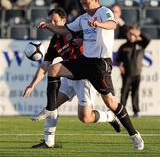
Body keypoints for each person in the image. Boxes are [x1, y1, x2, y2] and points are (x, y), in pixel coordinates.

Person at [30, 0, 144, 150]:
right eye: (82, 4)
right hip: (84, 62)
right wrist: (48, 26)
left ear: (96, 0)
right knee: (54, 70)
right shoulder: (83, 18)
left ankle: (134, 134)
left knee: (110, 102)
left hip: (100, 64)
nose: (85, 7)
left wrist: (98, 24)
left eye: (87, 3)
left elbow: (113, 24)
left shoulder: (104, 12)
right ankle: (50, 110)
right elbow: (66, 30)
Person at [23, 8, 120, 148]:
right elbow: (45, 66)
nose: (52, 23)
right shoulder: (55, 42)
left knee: (85, 118)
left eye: (55, 20)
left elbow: (99, 40)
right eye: (50, 21)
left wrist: (83, 41)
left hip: (85, 77)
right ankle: (48, 142)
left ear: (64, 21)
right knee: (52, 106)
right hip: (68, 78)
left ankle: (110, 116)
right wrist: (32, 85)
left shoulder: (79, 30)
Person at [116, 25, 150, 117]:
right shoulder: (123, 46)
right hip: (127, 74)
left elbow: (148, 39)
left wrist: (139, 33)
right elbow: (117, 59)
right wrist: (120, 65)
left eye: (133, 34)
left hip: (137, 73)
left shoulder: (140, 44)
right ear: (127, 34)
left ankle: (136, 111)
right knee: (124, 93)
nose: (131, 36)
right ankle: (121, 111)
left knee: (135, 93)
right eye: (130, 34)